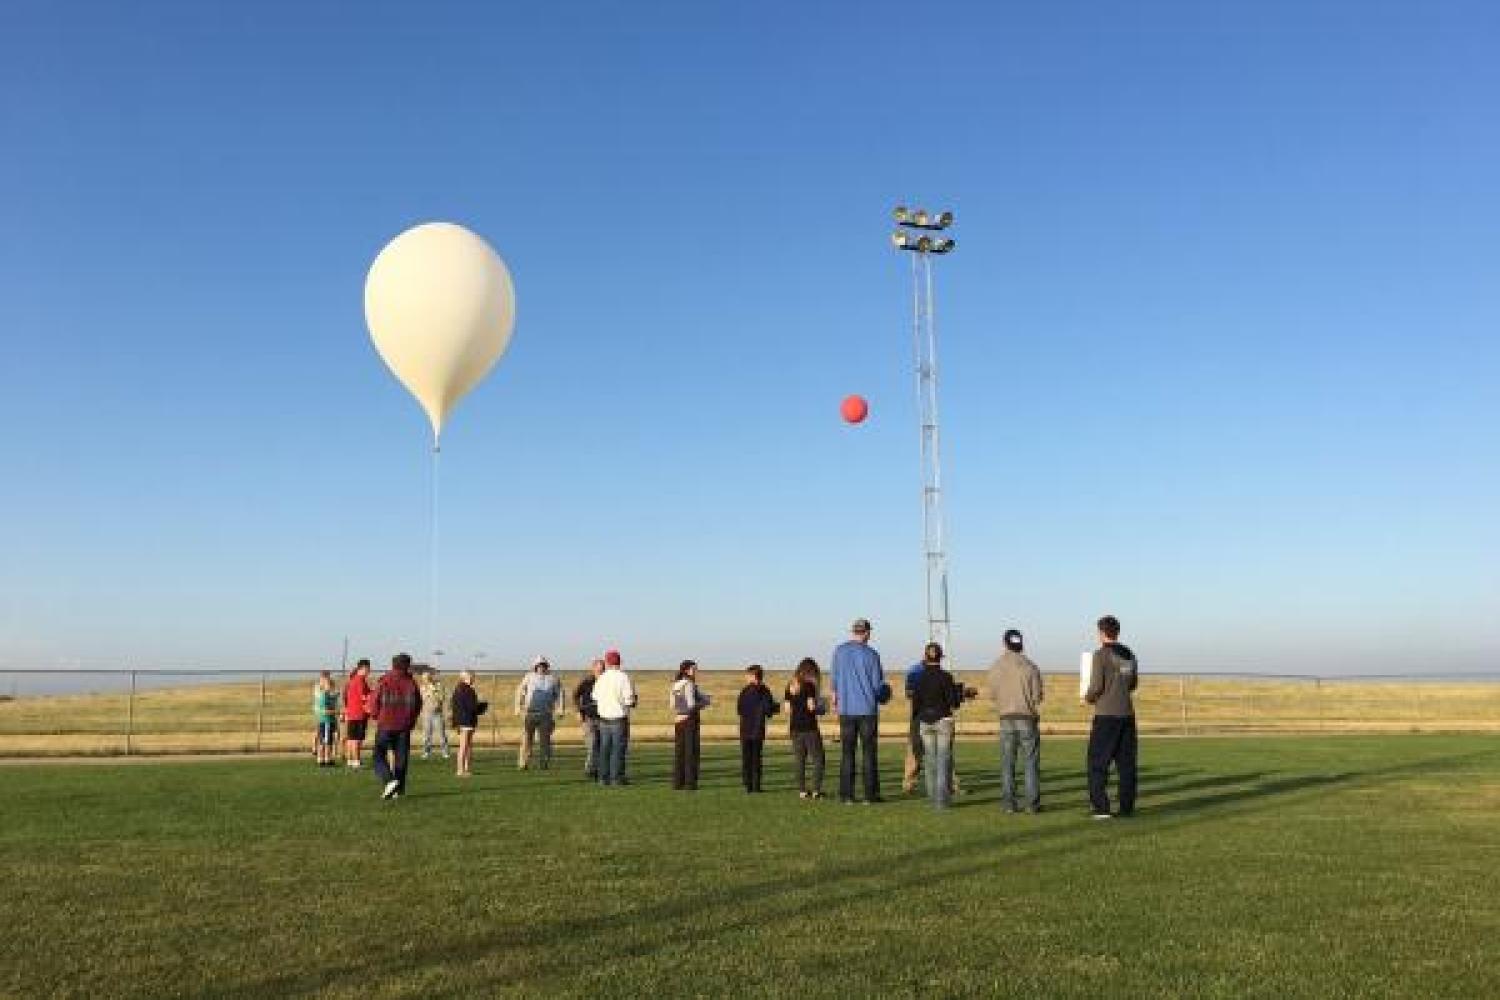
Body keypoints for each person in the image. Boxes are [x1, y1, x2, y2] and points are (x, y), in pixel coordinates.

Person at [1084, 615, 1139, 819]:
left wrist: (1088, 697)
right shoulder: (1128, 654)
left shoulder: (1100, 655)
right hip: (1127, 714)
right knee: (1126, 764)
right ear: (1117, 632)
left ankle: (1101, 807)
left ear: (1101, 633)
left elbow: (1096, 686)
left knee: (1098, 762)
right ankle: (1126, 807)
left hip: (1106, 715)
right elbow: (1132, 683)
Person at [831, 618, 886, 805]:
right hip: (867, 710)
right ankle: (870, 796)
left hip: (846, 710)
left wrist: (836, 700)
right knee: (869, 754)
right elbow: (878, 686)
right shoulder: (872, 655)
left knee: (847, 753)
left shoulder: (839, 652)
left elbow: (834, 682)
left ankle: (846, 795)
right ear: (867, 632)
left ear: (853, 631)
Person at [989, 629, 1045, 813]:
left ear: (1005, 643)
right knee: (1030, 763)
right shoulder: (1031, 666)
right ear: (1021, 643)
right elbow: (1037, 697)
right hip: (1027, 718)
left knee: (1007, 763)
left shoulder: (996, 666)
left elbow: (993, 695)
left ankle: (1009, 804)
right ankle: (1032, 804)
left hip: (1006, 719)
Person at [903, 654, 964, 798]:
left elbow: (912, 695)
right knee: (923, 751)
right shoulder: (917, 672)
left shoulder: (916, 673)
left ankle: (948, 786)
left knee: (926, 753)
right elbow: (910, 693)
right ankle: (910, 783)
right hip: (929, 717)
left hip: (920, 716)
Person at [372, 653, 423, 800]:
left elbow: (375, 702)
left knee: (378, 755)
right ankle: (399, 790)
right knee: (401, 758)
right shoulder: (411, 683)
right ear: (407, 665)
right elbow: (418, 704)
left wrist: (376, 715)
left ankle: (389, 781)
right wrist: (411, 719)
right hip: (404, 726)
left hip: (385, 724)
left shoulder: (385, 680)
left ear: (393, 665)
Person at [591, 649, 635, 787]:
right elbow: (628, 699)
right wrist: (630, 701)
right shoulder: (623, 677)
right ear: (619, 662)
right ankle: (617, 778)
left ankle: (603, 778)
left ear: (607, 662)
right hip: (618, 718)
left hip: (603, 719)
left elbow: (594, 697)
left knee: (604, 749)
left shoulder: (602, 678)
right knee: (618, 749)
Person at [784, 658, 826, 799]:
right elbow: (811, 707)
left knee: (799, 760)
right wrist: (821, 708)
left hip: (795, 727)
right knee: (818, 759)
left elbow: (787, 709)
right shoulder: (809, 686)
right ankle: (815, 790)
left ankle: (802, 791)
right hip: (809, 727)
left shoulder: (790, 686)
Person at [514, 657, 565, 770]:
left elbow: (560, 694)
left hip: (546, 714)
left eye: (543, 665)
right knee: (527, 739)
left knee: (545, 740)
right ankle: (523, 763)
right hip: (530, 713)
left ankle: (544, 763)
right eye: (539, 665)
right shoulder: (529, 677)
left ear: (547, 666)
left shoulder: (553, 679)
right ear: (535, 666)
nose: (541, 667)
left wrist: (560, 709)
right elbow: (520, 691)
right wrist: (517, 707)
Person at [736, 664, 778, 793]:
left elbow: (740, 710)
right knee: (756, 758)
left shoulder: (745, 691)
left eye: (748, 675)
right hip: (757, 729)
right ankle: (756, 786)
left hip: (745, 728)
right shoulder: (764, 691)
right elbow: (768, 709)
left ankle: (748, 785)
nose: (746, 678)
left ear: (753, 676)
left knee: (747, 758)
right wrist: (776, 707)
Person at [669, 659, 711, 790]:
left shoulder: (676, 684)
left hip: (678, 720)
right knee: (691, 752)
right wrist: (704, 703)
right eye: (694, 669)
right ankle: (690, 783)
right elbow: (691, 705)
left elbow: (672, 705)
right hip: (689, 720)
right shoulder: (689, 684)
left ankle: (678, 782)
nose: (696, 672)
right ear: (687, 670)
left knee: (679, 752)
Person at [450, 669, 487, 777]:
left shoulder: (459, 689)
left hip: (464, 721)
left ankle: (466, 769)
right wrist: (483, 706)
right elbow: (472, 707)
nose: (473, 678)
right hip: (466, 721)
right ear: (466, 677)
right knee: (464, 745)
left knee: (468, 745)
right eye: (472, 676)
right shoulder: (466, 690)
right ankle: (460, 770)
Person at [574, 659, 604, 779]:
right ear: (593, 669)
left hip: (603, 718)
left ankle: (597, 769)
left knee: (601, 745)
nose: (600, 671)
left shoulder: (607, 681)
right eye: (598, 669)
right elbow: (575, 695)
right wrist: (578, 711)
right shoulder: (586, 681)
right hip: (588, 718)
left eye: (602, 669)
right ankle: (589, 769)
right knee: (592, 744)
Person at [341, 660, 373, 768]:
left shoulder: (354, 680)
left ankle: (350, 760)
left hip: (352, 714)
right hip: (358, 714)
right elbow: (364, 697)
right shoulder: (359, 680)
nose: (369, 671)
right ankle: (356, 761)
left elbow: (368, 693)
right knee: (357, 739)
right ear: (362, 668)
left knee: (351, 738)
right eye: (368, 668)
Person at [419, 668, 450, 760]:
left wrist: (434, 690)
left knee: (441, 734)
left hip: (437, 714)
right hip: (426, 714)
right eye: (424, 678)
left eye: (428, 677)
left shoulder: (438, 685)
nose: (426, 679)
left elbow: (442, 698)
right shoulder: (422, 687)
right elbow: (421, 699)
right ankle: (426, 752)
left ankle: (445, 752)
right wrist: (426, 692)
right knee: (426, 735)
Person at [312, 671, 339, 768]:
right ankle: (326, 759)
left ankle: (323, 758)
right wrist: (337, 712)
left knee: (323, 740)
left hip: (325, 720)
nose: (330, 686)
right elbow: (325, 710)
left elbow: (334, 697)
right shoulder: (324, 696)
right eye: (328, 684)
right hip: (326, 720)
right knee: (327, 742)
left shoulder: (325, 694)